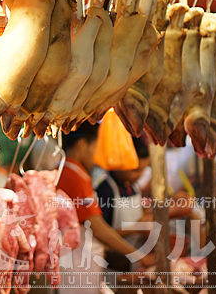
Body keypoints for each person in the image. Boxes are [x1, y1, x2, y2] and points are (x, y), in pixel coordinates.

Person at [55, 122, 154, 294]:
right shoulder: (74, 176)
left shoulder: (68, 171)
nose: (97, 154)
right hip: (77, 264)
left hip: (80, 262)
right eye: (96, 147)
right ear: (82, 144)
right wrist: (137, 255)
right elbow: (97, 227)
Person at [95, 136, 152, 271]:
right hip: (113, 265)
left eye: (144, 169)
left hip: (135, 260)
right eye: (135, 170)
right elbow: (100, 234)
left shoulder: (133, 187)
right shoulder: (105, 190)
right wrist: (136, 228)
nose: (140, 175)